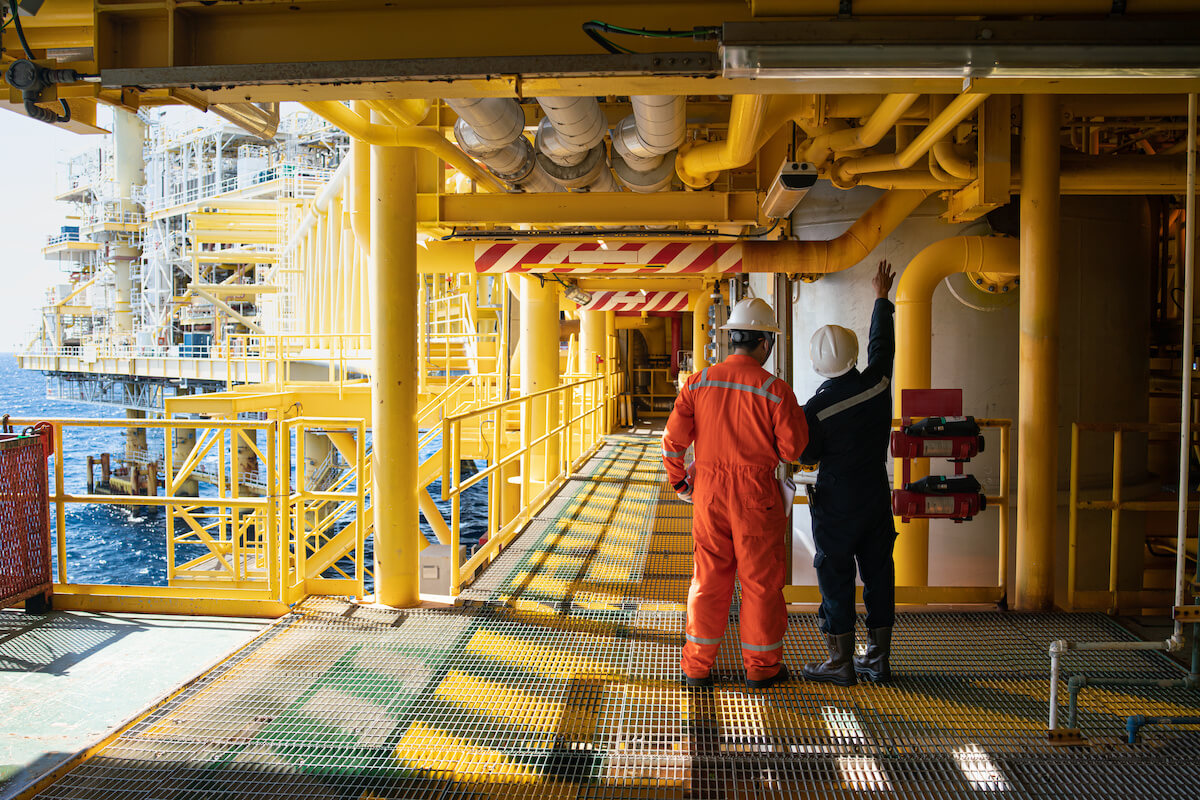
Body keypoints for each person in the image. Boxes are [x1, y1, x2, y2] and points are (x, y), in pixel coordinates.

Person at [662, 297, 809, 690]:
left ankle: (696, 668)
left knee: (708, 580)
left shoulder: (697, 382)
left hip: (708, 495)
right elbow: (794, 449)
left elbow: (672, 442)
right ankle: (761, 669)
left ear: (732, 340)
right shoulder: (775, 391)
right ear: (765, 343)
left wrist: (680, 482)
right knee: (760, 583)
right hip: (756, 497)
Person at [800, 259, 897, 686]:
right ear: (853, 356)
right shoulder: (878, 383)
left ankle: (839, 661)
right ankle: (877, 658)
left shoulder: (815, 410)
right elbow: (883, 348)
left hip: (837, 501)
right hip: (876, 492)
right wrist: (881, 299)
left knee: (835, 573)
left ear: (819, 366)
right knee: (879, 571)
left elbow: (806, 455)